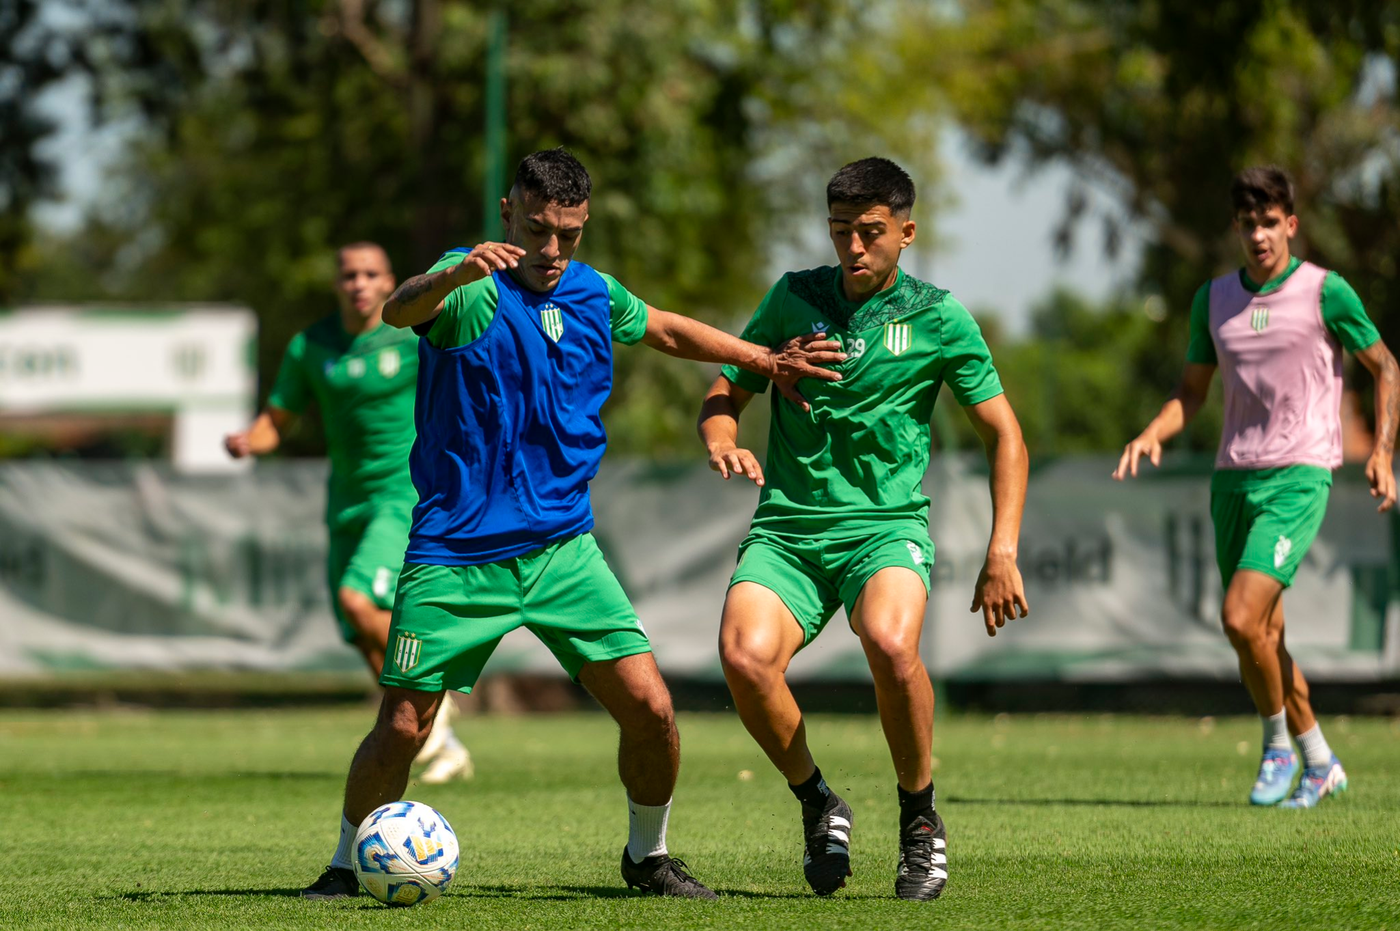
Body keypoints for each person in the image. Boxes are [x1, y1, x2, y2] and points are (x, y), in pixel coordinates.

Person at [301, 148, 846, 900]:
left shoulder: (593, 293)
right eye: (536, 228)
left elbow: (665, 330)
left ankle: (648, 856)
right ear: (508, 213)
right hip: (456, 552)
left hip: (563, 548)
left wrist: (763, 359)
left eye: (569, 233)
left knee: (652, 708)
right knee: (401, 725)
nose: (551, 249)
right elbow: (400, 310)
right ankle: (340, 867)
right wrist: (454, 274)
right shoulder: (469, 284)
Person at [698, 157, 1031, 901]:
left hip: (885, 528)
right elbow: (727, 388)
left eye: (871, 232)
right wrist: (720, 435)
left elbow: (1005, 435)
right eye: (841, 230)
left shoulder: (938, 317)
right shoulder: (793, 299)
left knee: (888, 642)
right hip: (787, 528)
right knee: (743, 659)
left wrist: (1002, 548)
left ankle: (919, 819)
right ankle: (819, 802)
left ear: (907, 232)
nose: (854, 247)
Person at [1113, 165, 1398, 808]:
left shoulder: (1328, 292)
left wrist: (1382, 450)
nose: (1259, 236)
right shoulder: (1213, 300)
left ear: (1290, 225)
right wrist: (1154, 431)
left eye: (1270, 223)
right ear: (1237, 230)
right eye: (1248, 225)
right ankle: (1320, 762)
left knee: (1240, 617)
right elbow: (1191, 394)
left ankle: (1275, 746)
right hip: (1232, 479)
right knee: (1262, 636)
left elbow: (1386, 368)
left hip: (1299, 477)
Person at [225, 242, 472, 785]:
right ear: (336, 284)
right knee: (359, 634)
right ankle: (441, 740)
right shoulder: (311, 346)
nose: (358, 283)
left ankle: (434, 688)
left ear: (389, 282)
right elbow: (277, 419)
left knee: (358, 602)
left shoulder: (411, 331)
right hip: (345, 503)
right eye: (348, 275)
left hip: (404, 494)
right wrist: (251, 441)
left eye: (370, 274)